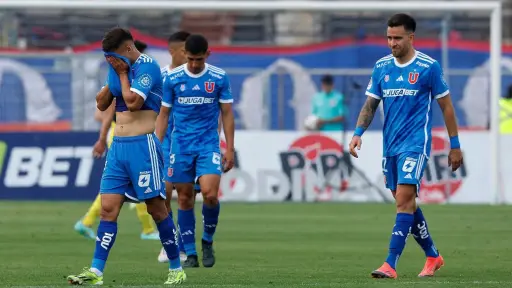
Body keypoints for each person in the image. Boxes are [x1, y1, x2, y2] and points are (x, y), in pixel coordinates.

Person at [67, 28, 186, 285]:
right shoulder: (115, 67)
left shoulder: (148, 68)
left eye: (111, 56)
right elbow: (101, 104)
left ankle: (176, 267)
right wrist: (112, 78)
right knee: (108, 209)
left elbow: (132, 103)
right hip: (118, 147)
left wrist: (121, 74)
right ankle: (96, 271)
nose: (109, 61)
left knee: (156, 209)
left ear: (128, 49)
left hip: (142, 147)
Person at [348, 13, 463, 279]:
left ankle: (390, 264)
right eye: (389, 37)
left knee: (403, 200)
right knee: (406, 204)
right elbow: (370, 104)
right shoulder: (382, 67)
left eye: (397, 38)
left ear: (411, 37)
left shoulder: (428, 66)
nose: (392, 43)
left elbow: (446, 106)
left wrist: (455, 144)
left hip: (415, 144)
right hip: (390, 146)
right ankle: (433, 256)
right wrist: (357, 133)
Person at [156, 34, 235, 269]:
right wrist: (157, 146)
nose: (193, 64)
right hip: (180, 146)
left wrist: (229, 149)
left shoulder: (219, 77)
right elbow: (164, 114)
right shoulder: (172, 79)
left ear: (207, 55)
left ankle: (207, 241)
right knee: (184, 198)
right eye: (190, 59)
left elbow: (227, 114)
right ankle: (190, 253)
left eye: (198, 60)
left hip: (207, 144)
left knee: (210, 194)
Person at [74, 40, 160, 241]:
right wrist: (102, 138)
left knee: (123, 185)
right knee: (137, 181)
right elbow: (104, 113)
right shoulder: (126, 78)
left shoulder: (133, 76)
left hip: (124, 133)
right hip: (120, 134)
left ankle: (87, 221)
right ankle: (147, 229)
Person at [156, 30, 192, 264]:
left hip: (189, 142)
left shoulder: (194, 77)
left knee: (186, 195)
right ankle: (170, 242)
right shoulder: (159, 77)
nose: (190, 56)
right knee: (164, 193)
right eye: (185, 51)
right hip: (166, 141)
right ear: (173, 52)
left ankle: (185, 242)